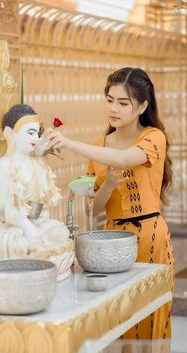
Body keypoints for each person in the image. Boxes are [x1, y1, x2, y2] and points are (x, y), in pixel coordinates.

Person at [44, 67, 174, 351]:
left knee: (149, 317)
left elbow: (126, 158)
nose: (114, 108)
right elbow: (96, 207)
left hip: (150, 235)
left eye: (123, 102)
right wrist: (109, 185)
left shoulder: (153, 137)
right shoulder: (98, 147)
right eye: (110, 99)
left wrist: (69, 143)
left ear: (142, 106)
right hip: (111, 240)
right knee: (118, 317)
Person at [0, 104, 74, 280]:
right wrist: (27, 227)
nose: (35, 138)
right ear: (10, 134)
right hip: (13, 230)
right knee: (22, 245)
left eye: (36, 133)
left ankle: (47, 262)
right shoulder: (5, 166)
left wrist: (36, 222)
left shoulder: (37, 163)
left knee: (61, 231)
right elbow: (5, 211)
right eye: (29, 133)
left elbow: (40, 201)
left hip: (36, 225)